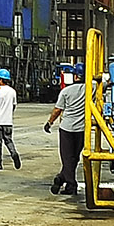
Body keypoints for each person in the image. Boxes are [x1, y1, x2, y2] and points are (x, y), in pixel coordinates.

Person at [44, 62, 88, 196]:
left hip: (66, 129)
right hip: (81, 129)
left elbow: (58, 110)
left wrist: (49, 122)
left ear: (75, 76)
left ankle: (70, 185)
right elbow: (106, 82)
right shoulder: (91, 88)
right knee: (74, 158)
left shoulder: (66, 91)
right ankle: (61, 178)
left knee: (67, 158)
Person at [0, 68, 20, 169]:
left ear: (1, 80)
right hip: (8, 122)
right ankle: (14, 153)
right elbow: (14, 105)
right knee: (9, 141)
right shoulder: (12, 91)